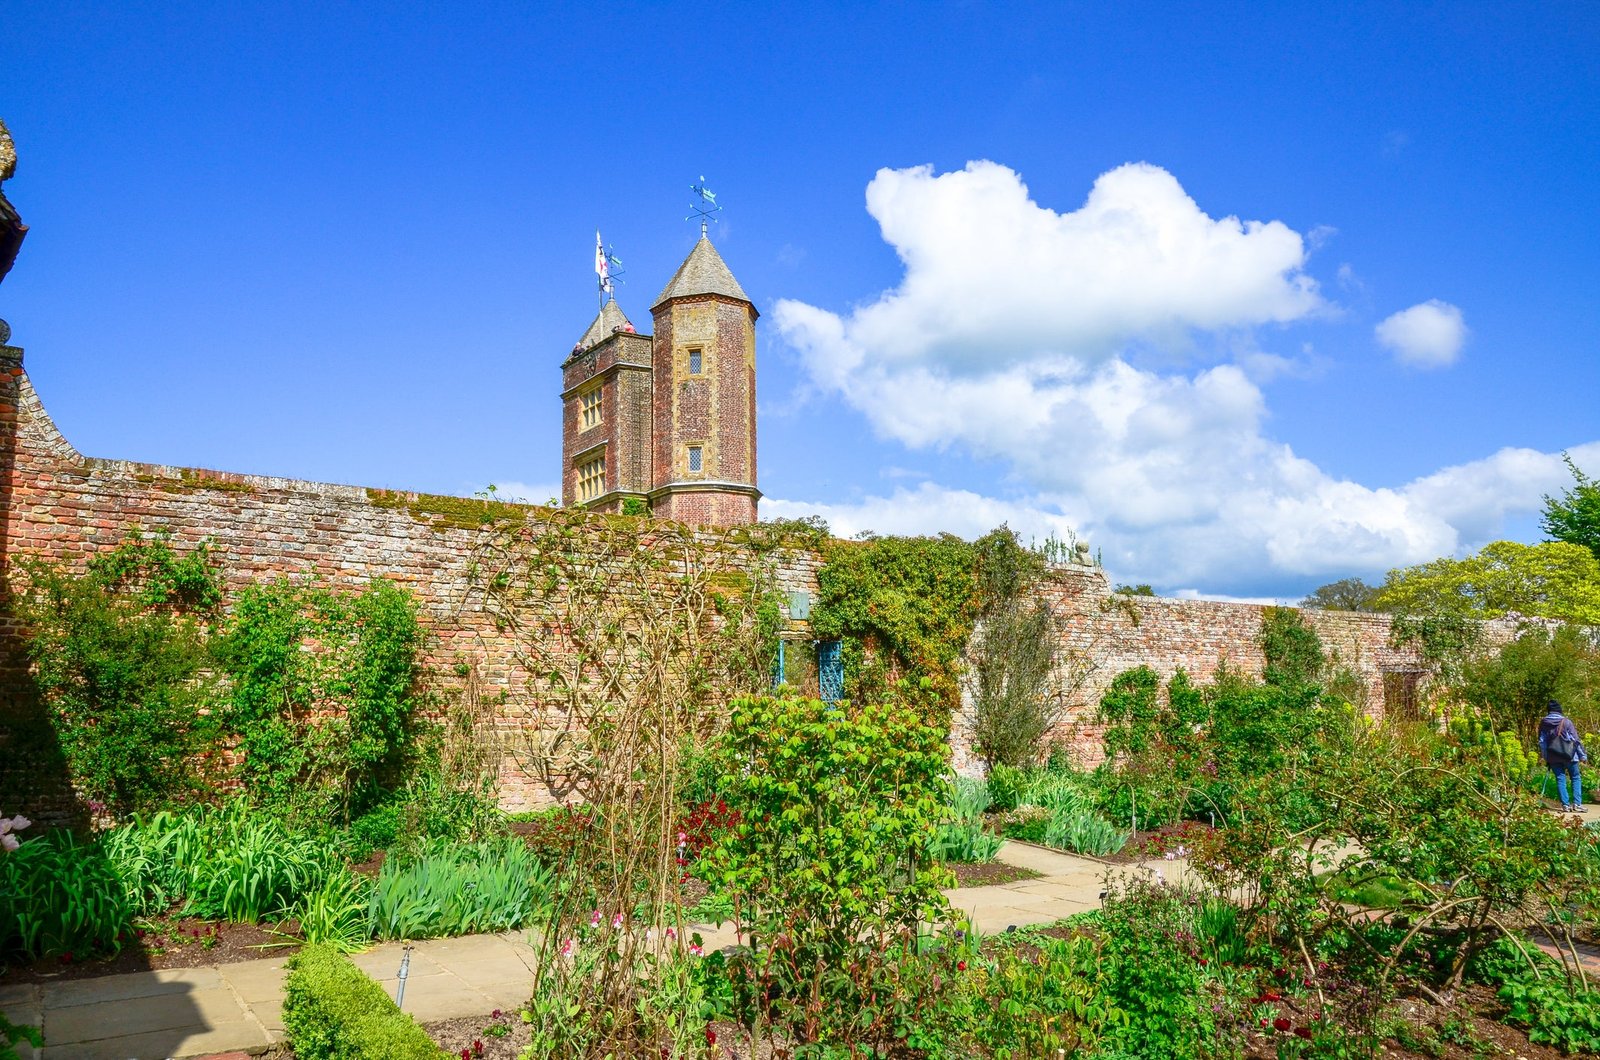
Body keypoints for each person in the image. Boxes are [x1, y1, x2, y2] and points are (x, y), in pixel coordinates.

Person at [1538, 700, 1588, 813]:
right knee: (1575, 777)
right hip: (1570, 756)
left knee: (1560, 778)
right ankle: (1577, 804)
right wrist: (1583, 756)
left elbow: (1542, 742)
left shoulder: (1543, 723)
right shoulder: (1566, 722)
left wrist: (1546, 757)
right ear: (1560, 710)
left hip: (1553, 756)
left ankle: (1565, 805)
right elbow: (1576, 741)